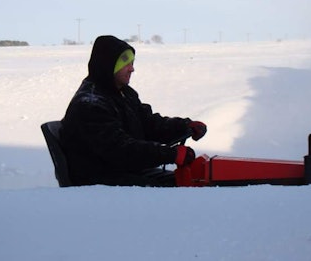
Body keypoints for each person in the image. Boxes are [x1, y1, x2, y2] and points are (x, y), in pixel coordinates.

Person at [60, 35, 207, 186]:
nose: (132, 68)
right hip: (99, 180)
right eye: (125, 63)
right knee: (172, 191)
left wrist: (184, 126)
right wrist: (171, 154)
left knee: (193, 182)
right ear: (108, 64)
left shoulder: (122, 93)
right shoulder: (90, 104)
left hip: (124, 171)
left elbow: (148, 124)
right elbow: (120, 149)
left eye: (132, 62)